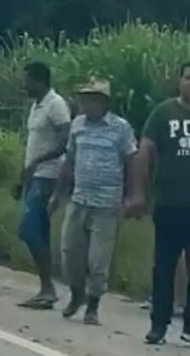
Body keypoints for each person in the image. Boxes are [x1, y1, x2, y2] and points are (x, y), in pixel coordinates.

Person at [49, 78, 137, 325]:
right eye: (83, 98)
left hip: (106, 204)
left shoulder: (121, 128)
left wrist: (132, 195)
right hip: (79, 199)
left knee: (98, 260)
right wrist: (58, 194)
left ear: (103, 102)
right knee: (69, 254)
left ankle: (93, 305)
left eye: (91, 99)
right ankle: (77, 294)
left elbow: (132, 161)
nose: (85, 104)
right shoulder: (78, 125)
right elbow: (69, 161)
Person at [130, 62, 190, 345]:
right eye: (189, 78)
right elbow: (145, 153)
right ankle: (159, 325)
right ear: (180, 80)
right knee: (164, 267)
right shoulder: (163, 113)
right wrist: (139, 194)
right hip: (168, 204)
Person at [15, 62, 71, 309]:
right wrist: (23, 176)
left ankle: (48, 287)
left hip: (48, 176)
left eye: (28, 80)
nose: (24, 84)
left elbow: (65, 140)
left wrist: (38, 161)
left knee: (28, 230)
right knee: (40, 231)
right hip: (35, 176)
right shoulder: (36, 106)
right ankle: (45, 290)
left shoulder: (55, 104)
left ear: (40, 80)